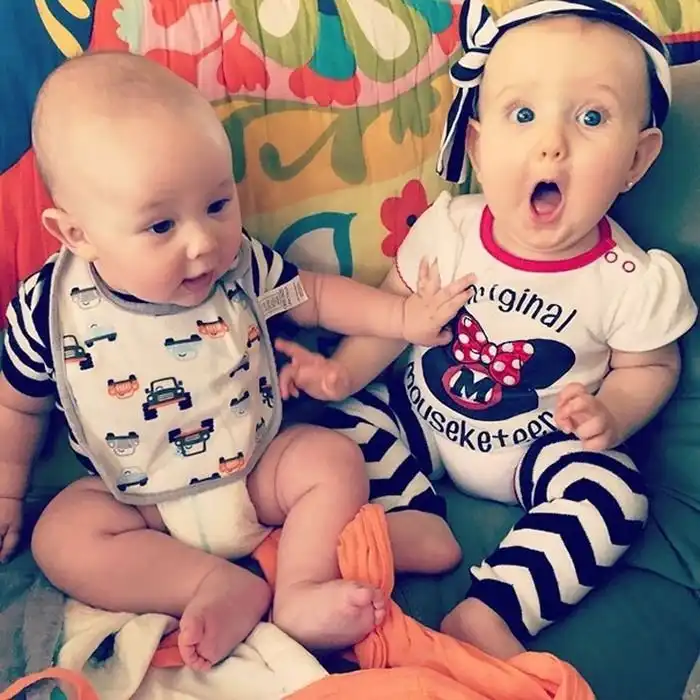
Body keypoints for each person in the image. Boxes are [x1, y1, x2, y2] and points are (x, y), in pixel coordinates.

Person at [0, 52, 474, 671]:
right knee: (63, 536)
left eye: (218, 205)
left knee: (330, 460)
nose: (203, 242)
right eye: (161, 226)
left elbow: (312, 296)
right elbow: (17, 405)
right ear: (77, 234)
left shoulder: (241, 269)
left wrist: (402, 317)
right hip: (139, 502)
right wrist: (7, 491)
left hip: (254, 472)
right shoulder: (50, 310)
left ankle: (300, 589)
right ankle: (207, 584)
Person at [275, 0, 699, 661]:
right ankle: (410, 523)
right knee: (328, 432)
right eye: (522, 115)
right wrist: (343, 373)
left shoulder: (631, 278)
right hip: (418, 417)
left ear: (636, 162)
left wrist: (611, 414)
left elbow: (652, 366)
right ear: (477, 145)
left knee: (615, 498)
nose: (551, 143)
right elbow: (395, 315)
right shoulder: (450, 230)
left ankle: (492, 608)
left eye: (591, 117)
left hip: (539, 451)